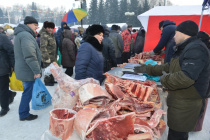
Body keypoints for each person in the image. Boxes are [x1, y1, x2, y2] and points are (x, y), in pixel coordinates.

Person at [134, 20, 210, 140]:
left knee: (177, 135)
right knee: (176, 133)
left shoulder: (196, 49)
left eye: (176, 33)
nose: (174, 36)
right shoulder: (186, 47)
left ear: (184, 33)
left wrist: (164, 79)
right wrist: (147, 68)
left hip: (187, 103)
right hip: (181, 100)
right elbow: (170, 67)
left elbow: (186, 78)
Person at [14, 16, 42, 121]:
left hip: (25, 69)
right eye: (35, 24)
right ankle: (24, 114)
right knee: (27, 92)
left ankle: (23, 112)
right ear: (28, 24)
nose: (37, 27)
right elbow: (30, 55)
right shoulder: (26, 35)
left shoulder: (22, 34)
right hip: (28, 70)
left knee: (27, 91)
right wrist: (36, 71)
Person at [192, 31, 210, 132]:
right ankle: (195, 127)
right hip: (204, 86)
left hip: (202, 85)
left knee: (199, 106)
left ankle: (195, 127)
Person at [0, 32, 15, 117]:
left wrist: (13, 65)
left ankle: (4, 107)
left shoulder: (2, 37)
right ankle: (10, 94)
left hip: (2, 67)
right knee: (2, 89)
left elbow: (10, 50)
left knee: (2, 88)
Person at [40, 21, 57, 86]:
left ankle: (51, 79)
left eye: (51, 28)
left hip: (52, 57)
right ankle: (47, 81)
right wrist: (46, 58)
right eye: (48, 28)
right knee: (47, 70)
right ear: (46, 28)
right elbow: (43, 48)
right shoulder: (44, 35)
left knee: (52, 69)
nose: (50, 29)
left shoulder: (51, 35)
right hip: (47, 57)